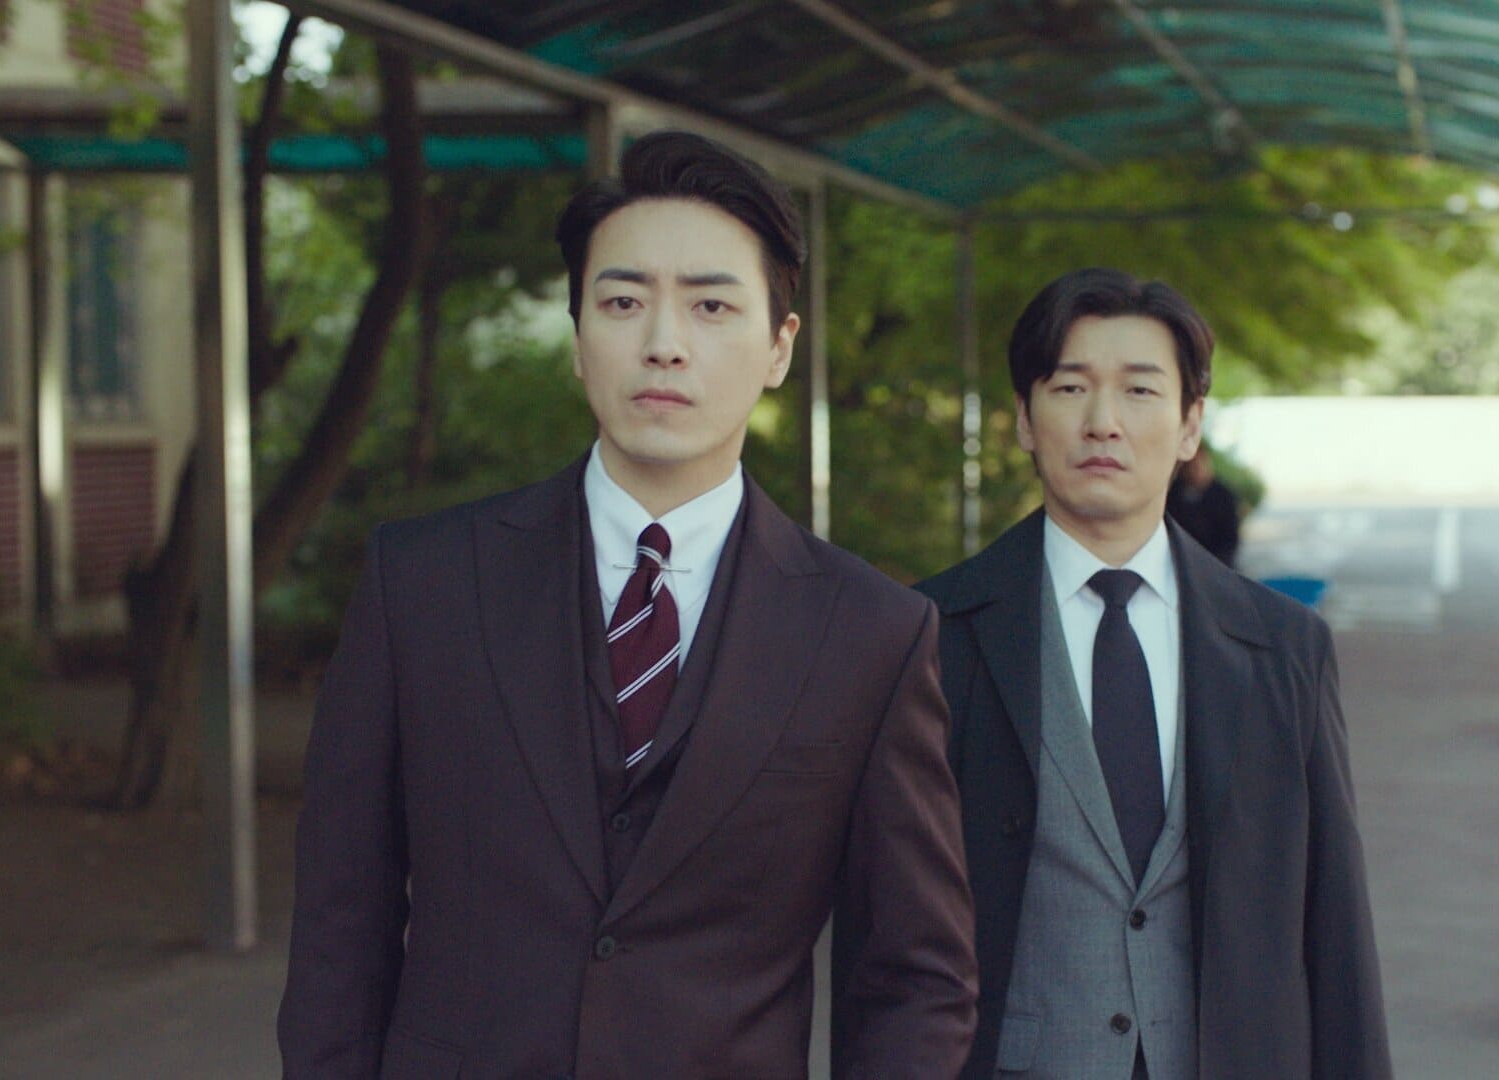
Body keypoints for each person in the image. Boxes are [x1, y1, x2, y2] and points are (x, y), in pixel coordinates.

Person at [278, 130, 976, 1078]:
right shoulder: (423, 584)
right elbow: (340, 920)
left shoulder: (871, 633)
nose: (663, 344)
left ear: (779, 347)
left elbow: (917, 977)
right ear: (578, 338)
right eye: (622, 301)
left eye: (711, 305)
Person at [916, 268, 1390, 1078]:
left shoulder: (1285, 648)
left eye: (1140, 391)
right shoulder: (933, 632)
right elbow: (887, 924)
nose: (1103, 422)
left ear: (1189, 425)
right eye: (1071, 388)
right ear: (1025, 418)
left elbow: (1336, 920)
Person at [1166, 449, 1242, 567]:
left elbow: (1230, 538)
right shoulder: (1173, 495)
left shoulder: (1224, 496)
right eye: (1190, 467)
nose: (1195, 471)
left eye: (1198, 466)